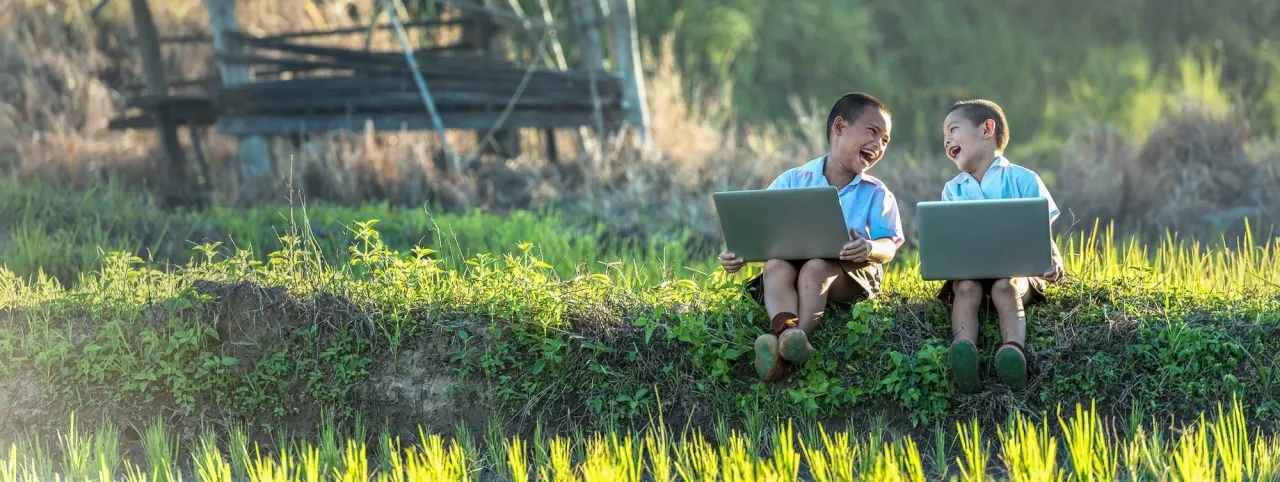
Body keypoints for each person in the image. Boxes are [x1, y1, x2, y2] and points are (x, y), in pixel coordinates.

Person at [718, 92, 905, 382]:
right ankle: (788, 336)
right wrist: (739, 253)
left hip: (850, 273)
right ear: (840, 127)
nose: (879, 144)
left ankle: (796, 336)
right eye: (873, 132)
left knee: (816, 268)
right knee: (775, 266)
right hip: (796, 266)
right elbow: (760, 226)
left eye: (885, 140)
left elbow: (889, 245)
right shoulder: (795, 179)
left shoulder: (876, 192)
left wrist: (868, 248)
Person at [936, 99, 1066, 393]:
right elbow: (951, 240)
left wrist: (1053, 259)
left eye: (953, 129)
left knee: (1004, 287)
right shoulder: (953, 189)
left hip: (1016, 272)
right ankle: (963, 350)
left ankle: (1013, 352)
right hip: (971, 271)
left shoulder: (1023, 179)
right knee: (966, 288)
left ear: (987, 129)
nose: (946, 139)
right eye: (944, 135)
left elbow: (1042, 233)